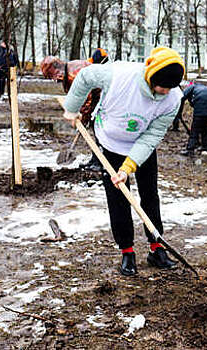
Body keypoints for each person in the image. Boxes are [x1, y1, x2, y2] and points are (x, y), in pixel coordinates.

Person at [62, 47, 185, 276]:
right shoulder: (118, 75)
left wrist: (128, 167)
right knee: (118, 198)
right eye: (161, 87)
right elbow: (85, 76)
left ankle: (156, 247)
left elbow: (152, 136)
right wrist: (72, 109)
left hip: (142, 145)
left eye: (169, 88)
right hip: (111, 142)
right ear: (150, 76)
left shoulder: (173, 98)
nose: (164, 92)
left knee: (150, 194)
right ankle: (127, 251)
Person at [178, 81, 207, 156]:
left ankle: (190, 150)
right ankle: (206, 147)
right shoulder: (202, 88)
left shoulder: (191, 88)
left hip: (202, 102)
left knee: (195, 128)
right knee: (203, 124)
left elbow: (181, 98)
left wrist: (178, 113)